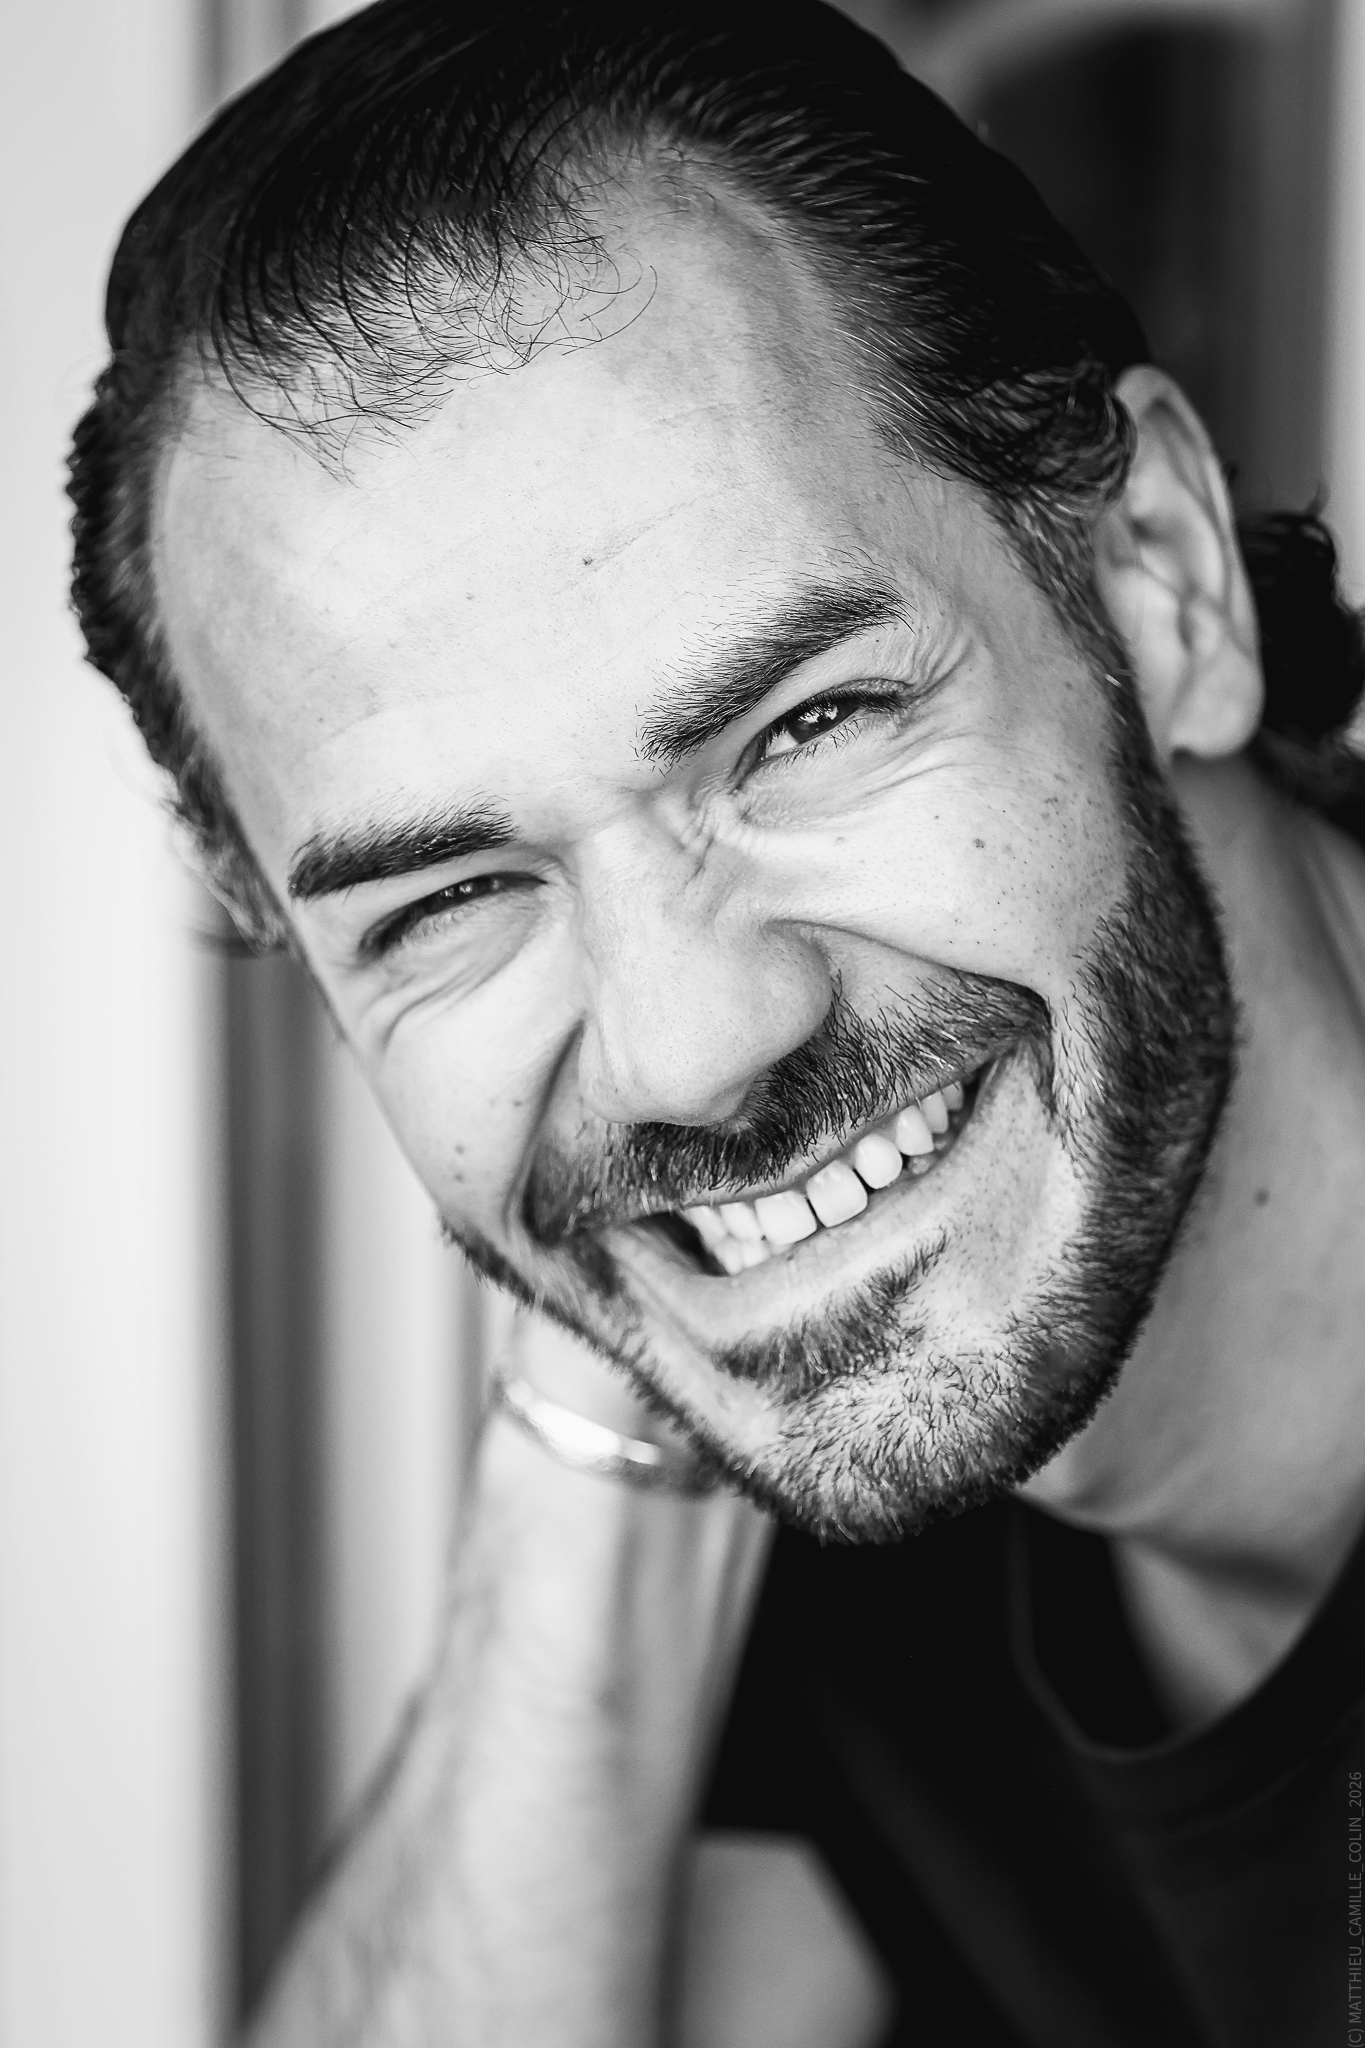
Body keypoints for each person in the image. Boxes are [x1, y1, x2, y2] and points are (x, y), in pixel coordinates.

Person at [69, 3, 1365, 2041]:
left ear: (1156, 581)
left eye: (804, 726)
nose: (689, 1047)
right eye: (450, 901)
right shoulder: (871, 1431)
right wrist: (611, 1374)